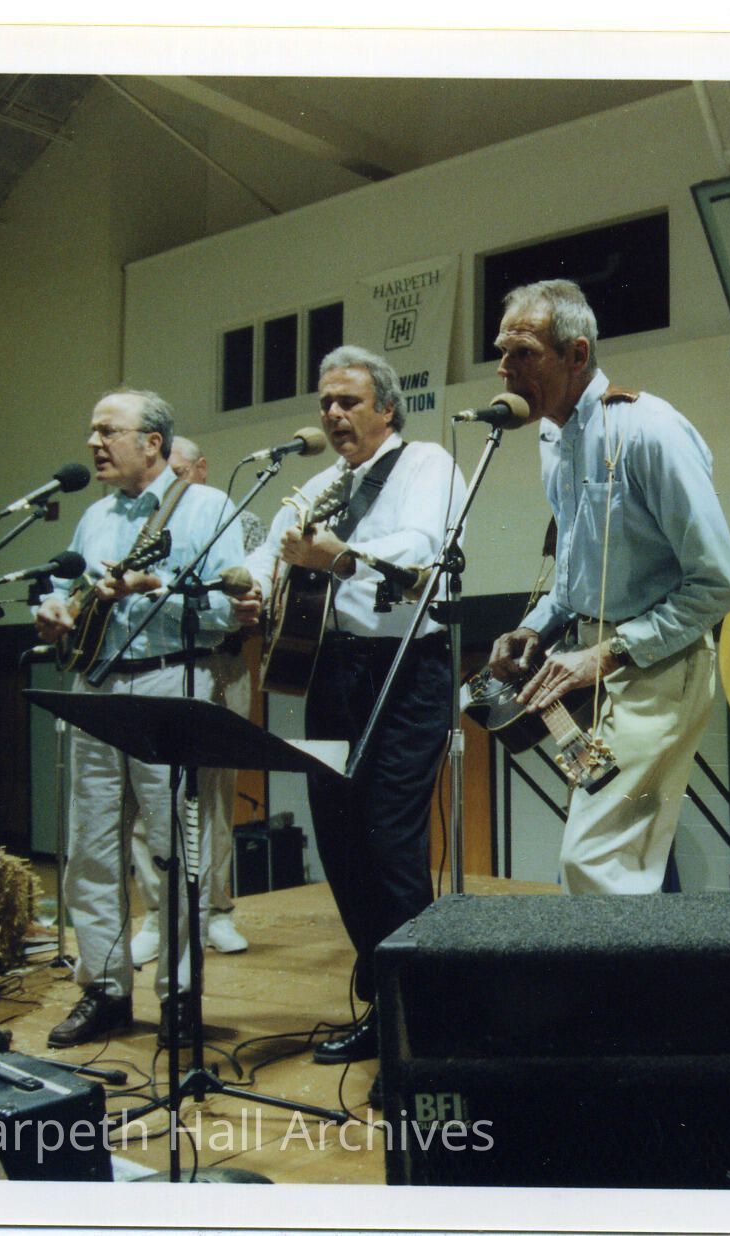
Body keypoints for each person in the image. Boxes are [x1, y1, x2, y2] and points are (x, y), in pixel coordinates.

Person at [242, 345, 467, 1067]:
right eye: (325, 404)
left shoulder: (426, 464)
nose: (333, 414)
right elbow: (274, 544)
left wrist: (338, 556)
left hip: (403, 670)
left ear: (388, 409)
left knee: (390, 842)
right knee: (337, 836)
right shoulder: (324, 482)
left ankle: (419, 1027)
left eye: (349, 402)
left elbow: (418, 550)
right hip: (332, 672)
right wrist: (249, 583)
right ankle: (383, 998)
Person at [486, 279, 730, 894]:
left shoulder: (650, 430)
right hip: (585, 666)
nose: (504, 369)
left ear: (576, 354)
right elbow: (577, 570)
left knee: (593, 862)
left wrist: (607, 654)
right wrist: (535, 626)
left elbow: (719, 583)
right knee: (627, 851)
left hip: (656, 667)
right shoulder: (554, 438)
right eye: (503, 352)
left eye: (524, 353)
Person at [33, 389, 251, 1049]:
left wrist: (156, 589)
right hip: (97, 685)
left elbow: (231, 609)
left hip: (170, 679)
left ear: (152, 442)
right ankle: (104, 991)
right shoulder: (94, 516)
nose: (94, 443)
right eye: (93, 431)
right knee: (92, 850)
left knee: (175, 850)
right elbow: (67, 588)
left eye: (109, 431)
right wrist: (54, 610)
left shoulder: (206, 507)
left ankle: (179, 996)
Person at [128, 436, 256, 964]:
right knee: (152, 796)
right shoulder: (145, 524)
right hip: (159, 668)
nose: (170, 483)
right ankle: (157, 915)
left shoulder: (242, 523)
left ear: (202, 469)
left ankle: (218, 911)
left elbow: (265, 593)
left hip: (221, 663)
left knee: (215, 794)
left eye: (179, 472)